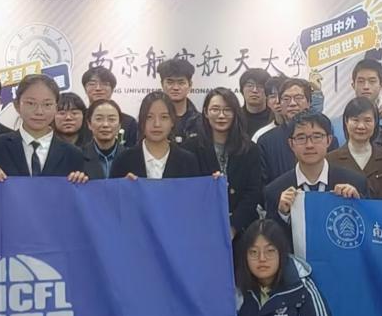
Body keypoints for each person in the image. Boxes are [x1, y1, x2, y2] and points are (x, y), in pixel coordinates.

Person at [264, 112, 366, 241]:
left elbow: (369, 233)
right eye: (301, 138)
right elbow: (272, 243)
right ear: (291, 144)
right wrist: (282, 214)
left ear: (329, 140)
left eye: (317, 136)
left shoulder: (354, 183)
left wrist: (358, 203)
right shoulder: (275, 191)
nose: (309, 145)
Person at [183, 88, 263, 236]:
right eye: (215, 109)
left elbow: (253, 192)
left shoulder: (250, 149)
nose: (221, 115)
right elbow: (187, 191)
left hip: (242, 229)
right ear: (206, 112)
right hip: (201, 227)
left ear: (235, 113)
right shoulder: (191, 148)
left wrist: (233, 226)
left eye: (227, 110)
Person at [0, 75, 87, 182]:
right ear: (17, 105)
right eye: (31, 103)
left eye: (47, 104)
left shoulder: (73, 154)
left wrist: (80, 182)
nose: (39, 111)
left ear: (56, 107)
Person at [257, 78, 336, 184]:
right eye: (286, 99)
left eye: (298, 98)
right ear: (280, 104)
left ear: (309, 102)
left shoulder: (325, 138)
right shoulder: (266, 141)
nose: (292, 103)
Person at [111, 91, 203, 179]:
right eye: (149, 117)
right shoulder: (123, 160)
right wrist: (124, 185)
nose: (157, 124)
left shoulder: (188, 161)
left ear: (172, 121)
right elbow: (113, 189)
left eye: (164, 117)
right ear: (141, 121)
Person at [327, 98, 382, 199]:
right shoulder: (330, 161)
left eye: (367, 120)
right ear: (346, 121)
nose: (361, 126)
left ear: (375, 123)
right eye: (355, 120)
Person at [82, 66, 139, 146]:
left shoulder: (129, 122)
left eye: (104, 84)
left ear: (112, 89)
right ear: (85, 89)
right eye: (92, 84)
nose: (98, 88)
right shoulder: (78, 119)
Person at [158, 58, 202, 143]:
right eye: (170, 82)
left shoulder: (201, 121)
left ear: (190, 85)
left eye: (181, 82)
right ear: (162, 84)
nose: (175, 88)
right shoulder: (152, 120)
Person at [81, 99, 126, 179]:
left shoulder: (131, 158)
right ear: (89, 124)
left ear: (119, 125)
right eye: (99, 119)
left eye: (111, 119)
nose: (105, 124)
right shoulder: (77, 157)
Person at [239, 68, 274, 136]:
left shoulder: (275, 118)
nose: (254, 90)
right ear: (242, 90)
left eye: (260, 86)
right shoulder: (235, 117)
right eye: (250, 86)